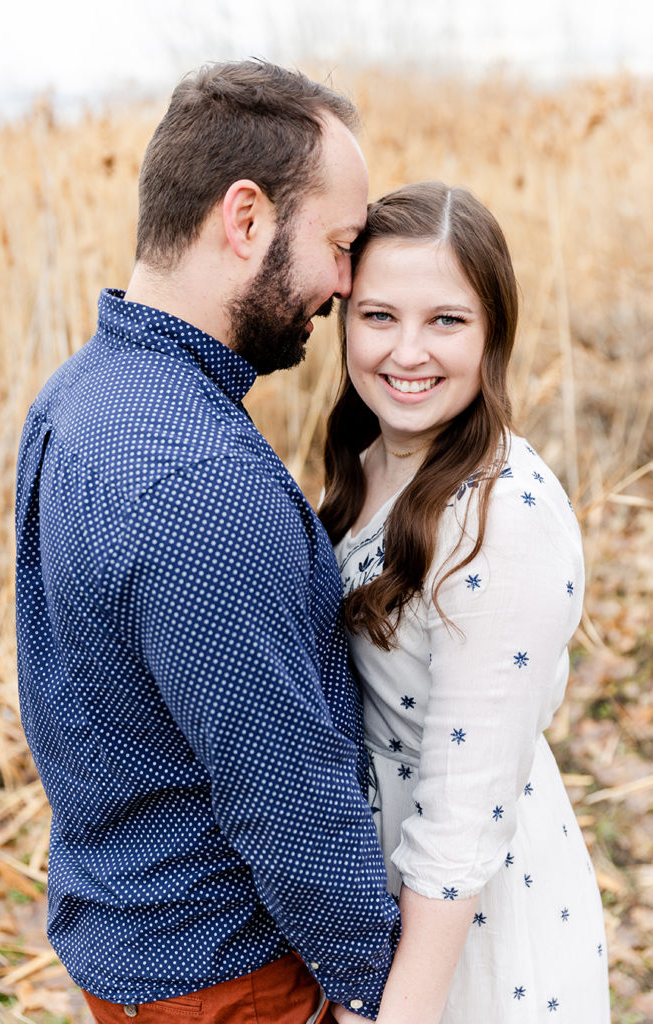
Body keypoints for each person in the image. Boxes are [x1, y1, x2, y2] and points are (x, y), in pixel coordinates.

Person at [15, 61, 400, 1024]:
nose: (346, 287)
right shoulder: (196, 476)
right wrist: (366, 987)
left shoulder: (77, 394)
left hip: (136, 948)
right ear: (244, 219)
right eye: (342, 244)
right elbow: (286, 792)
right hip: (234, 984)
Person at [319, 181, 610, 1023]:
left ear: (492, 334)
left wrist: (393, 1010)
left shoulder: (501, 519)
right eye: (378, 316)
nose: (406, 351)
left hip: (468, 930)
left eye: (445, 320)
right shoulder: (374, 457)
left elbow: (460, 823)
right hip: (388, 892)